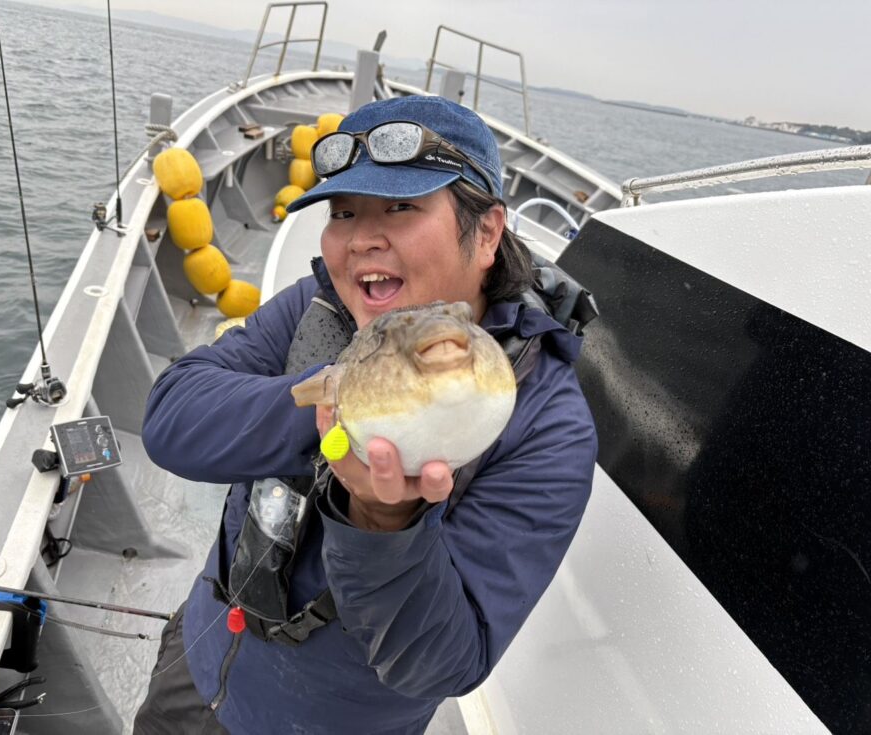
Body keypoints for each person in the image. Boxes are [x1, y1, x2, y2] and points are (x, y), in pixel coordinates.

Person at [134, 95, 597, 734]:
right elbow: (171, 419)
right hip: (201, 660)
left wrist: (383, 521)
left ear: (486, 232)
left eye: (401, 207)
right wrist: (344, 397)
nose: (359, 239)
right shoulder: (319, 307)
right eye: (344, 211)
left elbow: (442, 662)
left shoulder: (549, 426)